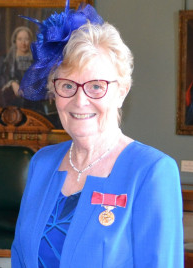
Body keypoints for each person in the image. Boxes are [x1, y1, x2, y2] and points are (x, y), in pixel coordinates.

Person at [12, 2, 183, 267]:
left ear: (121, 91)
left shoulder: (152, 171)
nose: (80, 101)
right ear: (53, 92)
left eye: (96, 86)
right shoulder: (41, 163)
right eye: (67, 85)